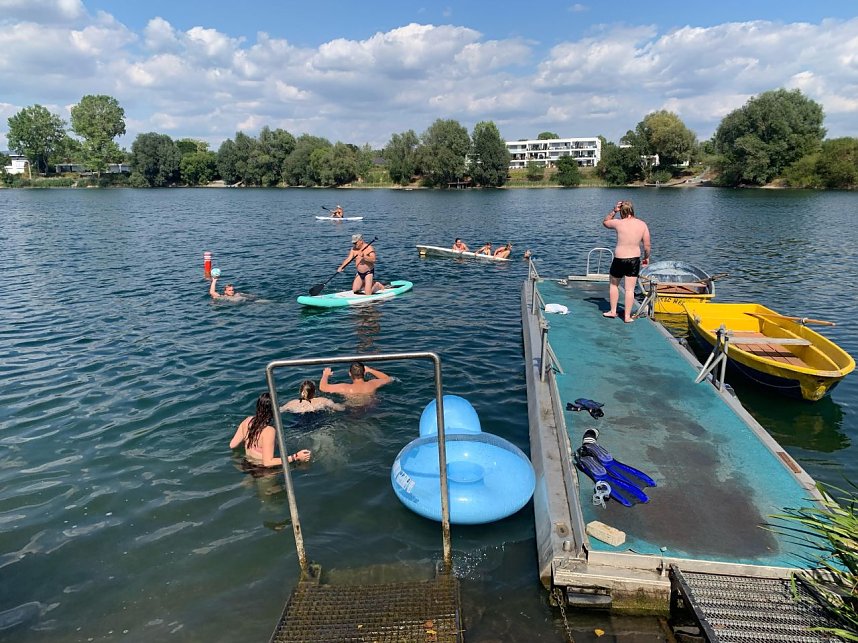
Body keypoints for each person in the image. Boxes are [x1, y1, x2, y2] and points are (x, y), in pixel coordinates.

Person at [229, 393, 312, 467]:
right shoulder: (269, 431)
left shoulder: (247, 421)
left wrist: (252, 441)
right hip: (262, 470)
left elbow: (232, 445)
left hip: (247, 464)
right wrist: (295, 456)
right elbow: (268, 462)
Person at [602, 199, 651, 323]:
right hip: (634, 260)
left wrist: (614, 211)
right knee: (629, 289)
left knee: (614, 285)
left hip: (619, 259)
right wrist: (646, 257)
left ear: (621, 212)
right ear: (632, 210)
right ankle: (627, 317)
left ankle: (613, 311)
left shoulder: (619, 223)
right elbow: (647, 246)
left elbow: (605, 222)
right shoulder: (642, 224)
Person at [319, 362, 392, 397]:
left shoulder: (345, 388)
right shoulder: (372, 384)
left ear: (350, 374)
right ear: (364, 373)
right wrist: (370, 370)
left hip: (351, 413)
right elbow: (388, 378)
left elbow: (322, 387)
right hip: (371, 410)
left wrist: (325, 375)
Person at [280, 380, 345, 413]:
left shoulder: (292, 403)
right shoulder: (322, 400)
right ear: (314, 392)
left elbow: (279, 410)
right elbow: (340, 408)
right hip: (319, 424)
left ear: (300, 392)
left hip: (300, 427)